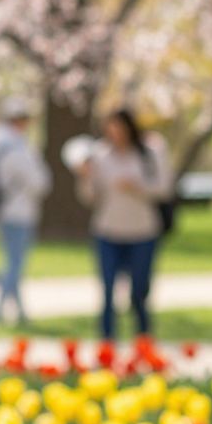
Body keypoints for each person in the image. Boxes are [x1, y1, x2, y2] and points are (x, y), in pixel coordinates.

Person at [76, 109, 172, 341]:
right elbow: (89, 197)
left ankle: (143, 339)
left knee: (139, 291)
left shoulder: (149, 153)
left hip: (142, 231)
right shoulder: (100, 154)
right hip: (108, 230)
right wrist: (85, 176)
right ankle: (107, 342)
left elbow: (165, 188)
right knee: (107, 290)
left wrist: (137, 187)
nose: (116, 133)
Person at [0, 98, 52, 326]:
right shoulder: (15, 147)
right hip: (18, 211)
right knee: (14, 263)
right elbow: (39, 182)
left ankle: (18, 310)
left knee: (13, 261)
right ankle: (2, 310)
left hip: (2, 211)